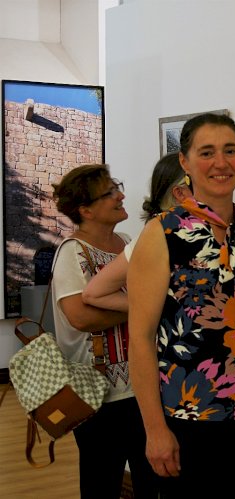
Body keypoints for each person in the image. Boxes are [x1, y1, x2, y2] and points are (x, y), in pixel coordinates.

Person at [127, 113, 235, 499]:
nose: (220, 163)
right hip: (188, 419)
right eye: (207, 152)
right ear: (185, 162)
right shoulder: (163, 233)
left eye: (230, 150)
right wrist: (154, 430)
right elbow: (140, 337)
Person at [50, 165, 157, 499]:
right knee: (101, 483)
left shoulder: (125, 242)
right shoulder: (71, 252)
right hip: (98, 396)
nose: (121, 195)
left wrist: (120, 302)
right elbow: (80, 317)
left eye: (117, 187)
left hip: (142, 386)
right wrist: (145, 305)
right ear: (86, 210)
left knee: (150, 480)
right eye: (110, 191)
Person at [81, 153, 189, 312]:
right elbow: (93, 294)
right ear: (179, 193)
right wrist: (162, 309)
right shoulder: (160, 236)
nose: (121, 196)